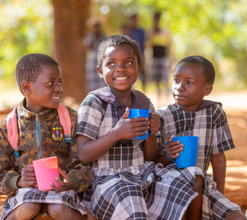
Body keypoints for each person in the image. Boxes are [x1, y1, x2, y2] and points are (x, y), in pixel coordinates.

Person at [76, 35, 202, 220]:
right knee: (129, 195)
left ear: (138, 68)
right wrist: (116, 134)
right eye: (111, 63)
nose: (120, 68)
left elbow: (150, 157)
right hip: (104, 180)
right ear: (100, 71)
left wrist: (151, 132)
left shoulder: (143, 103)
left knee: (192, 178)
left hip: (141, 173)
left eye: (128, 62)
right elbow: (83, 154)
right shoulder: (94, 103)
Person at [0, 53, 93, 220]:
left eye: (59, 83)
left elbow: (88, 164)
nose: (58, 88)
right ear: (27, 88)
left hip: (63, 193)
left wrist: (73, 181)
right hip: (24, 195)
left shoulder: (70, 120)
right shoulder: (9, 127)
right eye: (51, 83)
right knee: (30, 206)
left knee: (58, 208)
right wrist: (18, 181)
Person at [156, 55, 247, 220]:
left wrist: (220, 196)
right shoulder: (161, 117)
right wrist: (168, 155)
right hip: (168, 188)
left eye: (189, 82)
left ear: (207, 90)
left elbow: (218, 158)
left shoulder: (214, 113)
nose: (180, 87)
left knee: (239, 218)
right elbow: (152, 164)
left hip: (203, 187)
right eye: (176, 80)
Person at [146, 12, 174, 98]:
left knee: (165, 79)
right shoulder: (150, 32)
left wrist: (172, 58)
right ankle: (159, 97)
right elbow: (147, 45)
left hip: (163, 58)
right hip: (155, 58)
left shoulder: (165, 32)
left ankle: (166, 96)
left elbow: (169, 46)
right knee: (157, 80)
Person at [83, 21, 106, 92]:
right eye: (95, 27)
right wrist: (94, 38)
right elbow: (87, 47)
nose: (96, 29)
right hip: (92, 61)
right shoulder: (89, 37)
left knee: (101, 80)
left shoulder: (103, 37)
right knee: (92, 81)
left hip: (101, 60)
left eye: (98, 27)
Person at [127, 14, 146, 91]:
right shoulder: (128, 32)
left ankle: (144, 92)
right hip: (130, 56)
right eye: (132, 20)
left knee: (142, 75)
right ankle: (131, 91)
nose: (133, 22)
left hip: (140, 55)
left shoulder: (141, 32)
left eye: (135, 20)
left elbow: (144, 43)